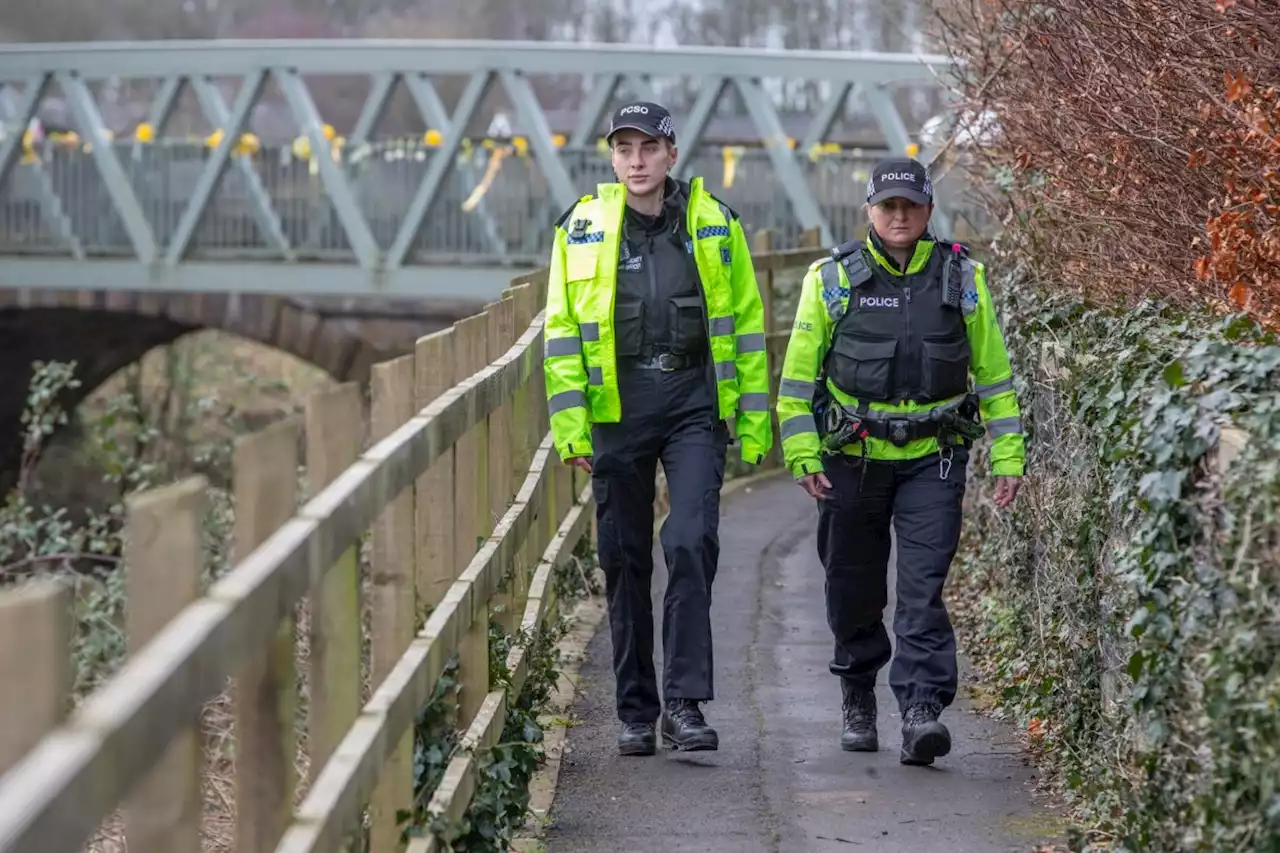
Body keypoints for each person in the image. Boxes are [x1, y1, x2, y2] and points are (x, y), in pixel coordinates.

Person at [775, 157, 1025, 767]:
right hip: (851, 460)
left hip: (933, 459)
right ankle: (858, 694)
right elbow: (796, 379)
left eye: (910, 206)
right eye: (887, 206)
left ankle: (920, 711)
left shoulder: (963, 277)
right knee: (853, 587)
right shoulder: (831, 279)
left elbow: (993, 374)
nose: (899, 216)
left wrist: (1009, 455)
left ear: (928, 211)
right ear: (869, 211)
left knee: (922, 589)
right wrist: (804, 451)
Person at [541, 101, 773, 756]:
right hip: (618, 407)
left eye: (648, 148)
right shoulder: (580, 229)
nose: (636, 161)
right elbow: (560, 333)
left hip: (693, 401)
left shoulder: (716, 226)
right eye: (624, 149)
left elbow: (749, 330)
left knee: (691, 539)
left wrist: (752, 421)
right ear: (612, 158)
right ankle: (637, 711)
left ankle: (684, 703)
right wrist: (572, 426)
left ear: (672, 153)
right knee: (624, 558)